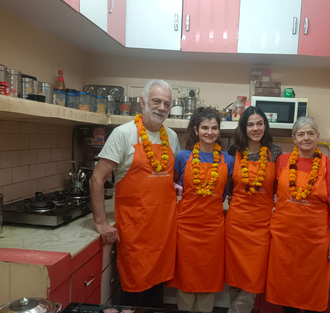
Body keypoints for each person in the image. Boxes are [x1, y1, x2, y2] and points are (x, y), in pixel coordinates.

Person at [89, 79, 181, 307]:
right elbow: (96, 179)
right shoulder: (123, 134)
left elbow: (174, 178)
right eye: (156, 101)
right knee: (134, 295)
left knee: (156, 295)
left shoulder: (172, 137)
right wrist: (101, 222)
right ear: (142, 102)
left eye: (166, 104)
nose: (161, 107)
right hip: (134, 231)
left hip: (163, 231)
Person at [266, 116, 330, 313]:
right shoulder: (283, 161)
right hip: (284, 238)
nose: (306, 138)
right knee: (285, 286)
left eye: (310, 133)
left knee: (312, 290)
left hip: (315, 241)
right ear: (294, 139)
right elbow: (273, 191)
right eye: (301, 134)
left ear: (318, 136)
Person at [167, 107, 234, 312]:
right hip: (186, 225)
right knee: (186, 276)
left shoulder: (227, 160)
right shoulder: (183, 157)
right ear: (196, 130)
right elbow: (171, 185)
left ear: (218, 131)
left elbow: (228, 190)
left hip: (213, 227)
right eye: (205, 127)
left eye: (214, 128)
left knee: (208, 276)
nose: (209, 132)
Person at [225, 106, 282, 313]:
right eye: (250, 124)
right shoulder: (235, 151)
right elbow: (229, 182)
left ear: (265, 126)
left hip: (262, 225)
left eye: (259, 123)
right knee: (234, 276)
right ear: (244, 128)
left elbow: (280, 185)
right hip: (237, 223)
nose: (255, 128)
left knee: (253, 276)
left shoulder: (275, 151)